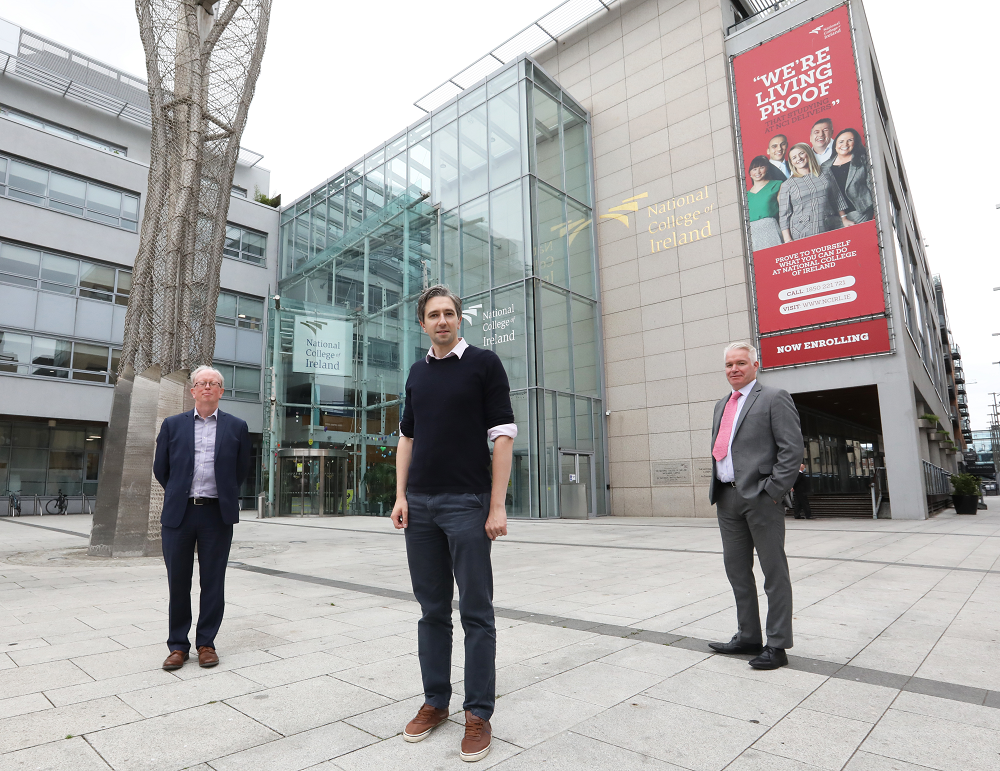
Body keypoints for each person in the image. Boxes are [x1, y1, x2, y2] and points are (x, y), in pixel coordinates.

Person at [392, 284, 516, 763]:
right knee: (431, 610)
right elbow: (407, 438)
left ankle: (478, 713)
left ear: (459, 319)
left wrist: (496, 505)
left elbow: (503, 437)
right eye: (433, 315)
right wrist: (400, 496)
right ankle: (435, 701)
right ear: (421, 324)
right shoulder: (416, 373)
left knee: (477, 612)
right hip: (420, 505)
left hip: (468, 502)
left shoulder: (485, 364)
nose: (442, 321)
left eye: (449, 314)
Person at [707, 342, 803, 670]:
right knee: (737, 571)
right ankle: (748, 635)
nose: (734, 369)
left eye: (741, 363)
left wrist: (773, 491)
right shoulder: (721, 404)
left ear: (755, 365)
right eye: (729, 364)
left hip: (761, 498)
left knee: (773, 572)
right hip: (726, 498)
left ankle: (777, 644)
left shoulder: (775, 398)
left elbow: (792, 450)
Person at [154, 366, 251, 671]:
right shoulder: (172, 425)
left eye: (214, 383)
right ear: (192, 390)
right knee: (178, 582)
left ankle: (206, 643)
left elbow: (240, 471)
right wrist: (179, 492)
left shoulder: (237, 426)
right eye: (201, 383)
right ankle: (178, 646)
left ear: (221, 391)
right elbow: (162, 469)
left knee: (212, 582)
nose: (207, 387)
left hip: (215, 514)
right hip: (179, 514)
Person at [778, 143, 852, 243]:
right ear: (791, 162)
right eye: (794, 157)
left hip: (828, 223)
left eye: (801, 153)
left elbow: (837, 197)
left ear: (808, 153)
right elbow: (784, 215)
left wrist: (844, 219)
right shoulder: (787, 185)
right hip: (801, 230)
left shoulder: (825, 172)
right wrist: (787, 239)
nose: (798, 158)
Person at [821, 127, 874, 223]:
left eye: (850, 140)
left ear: (855, 143)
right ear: (835, 144)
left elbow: (871, 184)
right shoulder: (825, 166)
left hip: (861, 210)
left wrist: (875, 207)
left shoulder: (863, 159)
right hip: (836, 216)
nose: (845, 144)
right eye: (841, 141)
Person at [746, 156, 783, 250]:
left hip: (771, 229)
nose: (758, 172)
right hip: (752, 233)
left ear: (767, 169)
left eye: (761, 167)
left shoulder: (777, 185)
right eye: (754, 169)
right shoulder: (745, 195)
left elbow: (785, 213)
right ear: (750, 173)